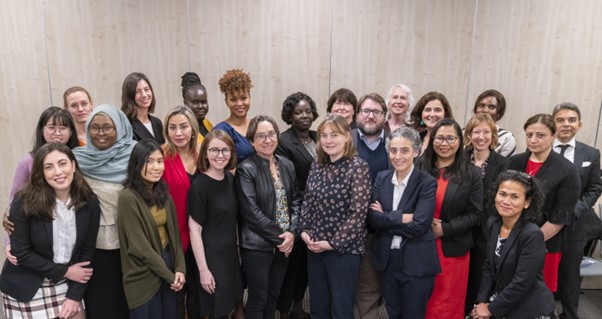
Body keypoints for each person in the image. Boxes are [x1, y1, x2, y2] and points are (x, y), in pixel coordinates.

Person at [0, 142, 100, 319]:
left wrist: (75, 296)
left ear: (73, 165)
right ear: (41, 173)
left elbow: (87, 253)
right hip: (27, 283)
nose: (58, 172)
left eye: (63, 163)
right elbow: (22, 253)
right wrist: (66, 271)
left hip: (67, 283)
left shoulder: (89, 202)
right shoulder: (24, 200)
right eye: (49, 167)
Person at [300, 115, 371, 318]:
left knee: (341, 308)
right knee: (318, 306)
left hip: (343, 252)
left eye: (335, 135)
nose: (329, 140)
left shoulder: (358, 167)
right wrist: (304, 232)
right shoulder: (317, 165)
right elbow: (308, 203)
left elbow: (357, 214)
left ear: (348, 137)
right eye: (324, 135)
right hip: (314, 247)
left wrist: (331, 243)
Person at [368, 127, 440, 319]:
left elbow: (420, 225)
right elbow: (373, 219)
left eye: (404, 150)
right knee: (393, 313)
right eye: (393, 150)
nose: (398, 156)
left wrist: (387, 217)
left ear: (416, 151)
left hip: (416, 261)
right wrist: (402, 217)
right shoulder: (382, 178)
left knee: (412, 315)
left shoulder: (427, 182)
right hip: (387, 259)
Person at [235, 115, 301, 319]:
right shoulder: (246, 169)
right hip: (258, 246)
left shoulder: (287, 165)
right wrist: (282, 237)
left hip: (284, 245)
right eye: (261, 136)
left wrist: (292, 233)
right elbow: (251, 213)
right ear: (252, 141)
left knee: (274, 296)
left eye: (271, 134)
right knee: (258, 298)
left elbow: (297, 200)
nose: (267, 140)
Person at [73, 104, 136, 318]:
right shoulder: (77, 159)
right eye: (95, 127)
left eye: (107, 127)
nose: (100, 133)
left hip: (131, 243)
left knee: (130, 300)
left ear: (119, 128)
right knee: (101, 302)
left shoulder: (135, 154)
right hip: (92, 246)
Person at [418, 118, 483, 319]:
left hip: (452, 248)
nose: (444, 144)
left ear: (460, 141)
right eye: (439, 138)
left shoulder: (471, 173)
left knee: (446, 302)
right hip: (420, 244)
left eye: (450, 138)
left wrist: (445, 229)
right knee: (421, 298)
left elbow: (476, 213)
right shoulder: (419, 165)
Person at [507, 114, 580, 293]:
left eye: (540, 135)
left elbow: (560, 217)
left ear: (553, 137)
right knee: (507, 290)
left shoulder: (567, 170)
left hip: (544, 242)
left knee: (534, 295)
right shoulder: (515, 162)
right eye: (529, 134)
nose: (533, 140)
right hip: (509, 237)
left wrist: (529, 242)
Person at [471, 170, 556, 319]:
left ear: (527, 203)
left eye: (515, 197)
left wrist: (491, 309)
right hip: (501, 299)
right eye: (502, 194)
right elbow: (488, 267)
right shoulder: (493, 223)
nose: (506, 201)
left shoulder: (532, 234)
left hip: (528, 308)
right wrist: (482, 301)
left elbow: (522, 282)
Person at [118, 139, 186, 319]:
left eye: (159, 161)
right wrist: (169, 275)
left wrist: (180, 268)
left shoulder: (163, 192)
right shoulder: (128, 197)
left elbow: (175, 238)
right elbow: (139, 248)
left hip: (169, 266)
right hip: (144, 274)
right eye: (149, 161)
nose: (156, 167)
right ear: (137, 164)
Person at [4, 106, 79, 264]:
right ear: (42, 130)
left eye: (63, 128)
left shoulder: (81, 158)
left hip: (73, 235)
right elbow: (14, 204)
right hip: (39, 239)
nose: (57, 133)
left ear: (71, 132)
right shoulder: (28, 162)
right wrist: (10, 242)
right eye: (52, 127)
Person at [552, 103, 602, 319]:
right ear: (553, 124)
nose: (566, 124)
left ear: (579, 125)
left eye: (571, 120)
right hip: (545, 224)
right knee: (540, 272)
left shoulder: (591, 153)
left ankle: (570, 315)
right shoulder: (539, 149)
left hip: (575, 224)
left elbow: (595, 188)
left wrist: (576, 210)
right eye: (560, 120)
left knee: (570, 275)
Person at [188, 130, 243, 319]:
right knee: (214, 310)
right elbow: (194, 230)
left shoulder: (230, 179)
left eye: (225, 150)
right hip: (211, 258)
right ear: (205, 153)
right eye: (214, 150)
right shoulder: (199, 186)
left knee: (229, 307)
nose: (220, 156)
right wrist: (203, 270)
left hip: (229, 256)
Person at [275, 92, 319, 319]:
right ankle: (284, 310)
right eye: (298, 112)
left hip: (317, 212)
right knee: (291, 263)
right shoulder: (283, 141)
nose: (304, 115)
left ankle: (298, 305)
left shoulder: (318, 137)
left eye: (308, 111)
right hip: (296, 210)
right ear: (290, 116)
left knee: (305, 263)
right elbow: (287, 181)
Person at [462, 113, 509, 314]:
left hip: (488, 230)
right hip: (460, 226)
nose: (481, 136)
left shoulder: (504, 163)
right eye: (476, 131)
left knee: (482, 277)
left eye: (486, 132)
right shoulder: (459, 159)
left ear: (493, 135)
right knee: (460, 277)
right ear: (469, 135)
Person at [351, 93, 390, 319]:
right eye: (366, 111)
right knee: (343, 288)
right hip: (345, 231)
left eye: (376, 111)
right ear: (357, 115)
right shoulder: (345, 139)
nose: (370, 116)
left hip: (378, 231)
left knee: (369, 290)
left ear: (385, 116)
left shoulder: (396, 143)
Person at [162, 106, 200, 318]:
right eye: (172, 127)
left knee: (198, 292)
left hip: (201, 236)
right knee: (176, 294)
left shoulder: (202, 154)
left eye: (183, 127)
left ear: (193, 129)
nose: (178, 133)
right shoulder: (161, 157)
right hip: (174, 237)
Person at [213, 68, 254, 164]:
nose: (239, 103)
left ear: (250, 98)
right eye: (233, 99)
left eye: (243, 98)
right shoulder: (221, 131)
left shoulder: (257, 125)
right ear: (226, 102)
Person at [121, 72, 165, 144]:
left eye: (146, 89)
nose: (144, 95)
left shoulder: (157, 123)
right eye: (137, 92)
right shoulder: (126, 125)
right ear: (129, 96)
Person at [472, 89, 516, 157]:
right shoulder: (463, 132)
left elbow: (504, 165)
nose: (485, 110)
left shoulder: (506, 138)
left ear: (499, 113)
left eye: (491, 107)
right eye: (481, 106)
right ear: (475, 110)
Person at [181, 71, 213, 143]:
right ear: (185, 103)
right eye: (195, 102)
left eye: (204, 102)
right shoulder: (182, 131)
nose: (200, 106)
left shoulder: (208, 123)